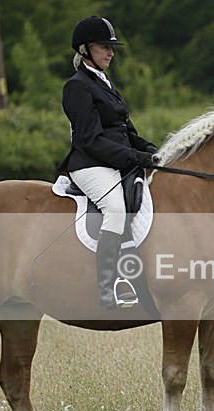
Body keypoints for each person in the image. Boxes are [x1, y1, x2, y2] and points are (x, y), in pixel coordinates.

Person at [59, 16, 157, 310]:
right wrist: (133, 157)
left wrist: (154, 152)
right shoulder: (76, 87)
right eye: (104, 47)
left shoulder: (106, 84)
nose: (110, 53)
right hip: (90, 164)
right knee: (115, 208)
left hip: (115, 161)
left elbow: (127, 132)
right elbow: (91, 140)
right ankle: (109, 286)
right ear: (86, 49)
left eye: (111, 47)